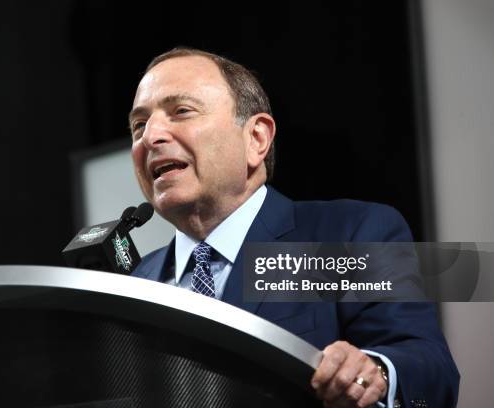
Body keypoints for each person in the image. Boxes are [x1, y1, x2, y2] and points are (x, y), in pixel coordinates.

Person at [128, 47, 459, 408]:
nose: (151, 136)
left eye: (181, 112)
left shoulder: (349, 235)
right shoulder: (137, 282)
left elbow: (430, 369)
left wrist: (375, 373)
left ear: (256, 139)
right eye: (139, 126)